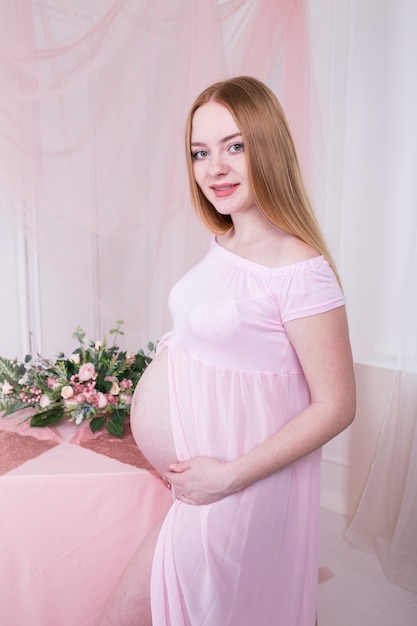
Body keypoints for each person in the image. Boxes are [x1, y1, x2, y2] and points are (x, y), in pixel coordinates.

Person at [98, 75, 356, 626]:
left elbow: (336, 405)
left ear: (269, 148)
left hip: (229, 494)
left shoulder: (299, 269)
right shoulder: (229, 241)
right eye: (200, 152)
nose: (214, 168)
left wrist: (229, 476)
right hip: (201, 488)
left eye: (234, 146)